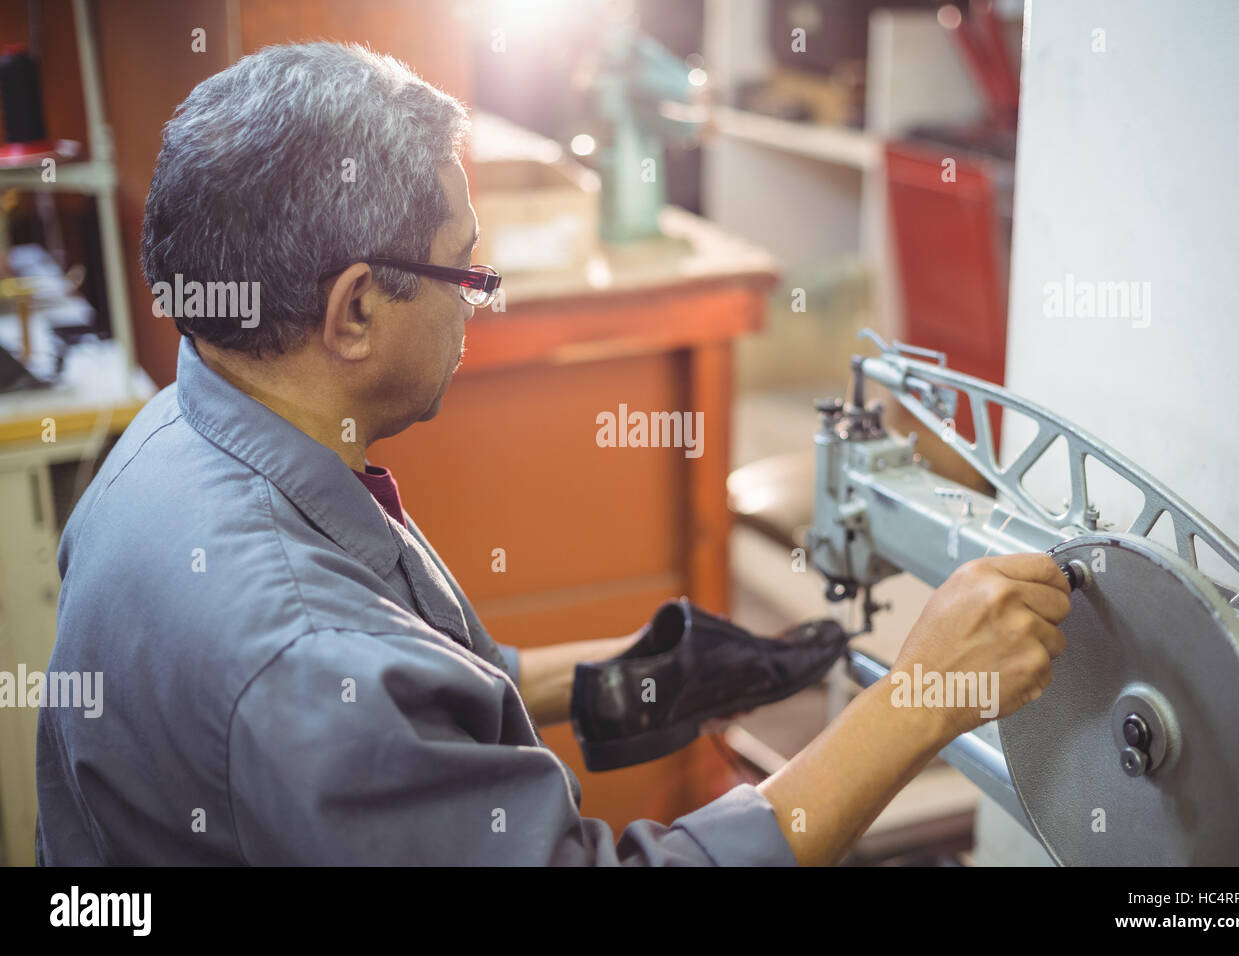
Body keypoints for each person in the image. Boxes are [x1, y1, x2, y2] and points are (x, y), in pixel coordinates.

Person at [36, 42, 1069, 866]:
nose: (479, 294)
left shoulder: (172, 439)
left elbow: (404, 683)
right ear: (353, 311)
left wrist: (627, 675)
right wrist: (919, 700)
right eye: (465, 270)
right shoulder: (303, 655)